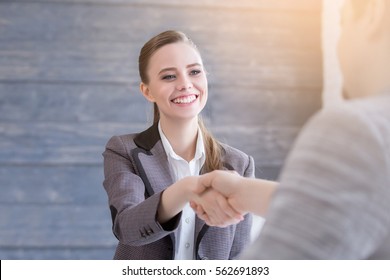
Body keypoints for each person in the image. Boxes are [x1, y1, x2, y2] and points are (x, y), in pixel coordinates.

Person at [192, 0, 390, 259]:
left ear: (373, 12)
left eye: (342, 24)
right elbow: (353, 205)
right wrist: (244, 193)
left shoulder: (359, 130)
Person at [102, 30, 254, 260]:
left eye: (194, 72)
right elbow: (128, 228)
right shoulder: (124, 150)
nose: (185, 84)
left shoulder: (239, 164)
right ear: (147, 91)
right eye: (168, 77)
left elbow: (239, 258)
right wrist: (187, 189)